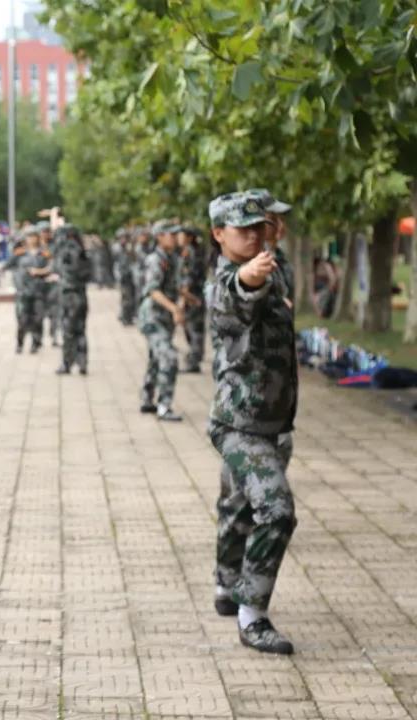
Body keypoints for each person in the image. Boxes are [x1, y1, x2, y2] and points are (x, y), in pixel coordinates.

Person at [206, 191, 298, 655]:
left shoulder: (273, 268)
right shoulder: (227, 281)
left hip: (272, 420)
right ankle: (252, 614)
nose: (254, 235)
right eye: (242, 229)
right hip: (238, 423)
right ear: (219, 234)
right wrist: (250, 277)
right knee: (276, 510)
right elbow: (239, 295)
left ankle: (226, 584)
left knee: (239, 505)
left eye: (259, 227)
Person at [138, 222, 183, 421]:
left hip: (164, 317)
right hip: (153, 317)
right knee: (169, 357)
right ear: (159, 237)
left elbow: (174, 286)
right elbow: (153, 290)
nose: (175, 237)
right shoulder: (155, 259)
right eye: (170, 234)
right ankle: (164, 406)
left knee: (156, 358)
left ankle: (147, 398)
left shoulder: (172, 258)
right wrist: (174, 308)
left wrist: (185, 300)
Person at [54, 225, 91, 374]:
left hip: (69, 295)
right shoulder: (82, 250)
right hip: (81, 293)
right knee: (80, 330)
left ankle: (67, 363)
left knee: (68, 331)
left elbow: (59, 269)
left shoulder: (66, 250)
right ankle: (82, 363)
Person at [7, 230, 48, 353]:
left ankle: (36, 343)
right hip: (23, 291)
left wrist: (40, 271)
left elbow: (53, 267)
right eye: (29, 237)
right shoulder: (20, 253)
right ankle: (20, 343)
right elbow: (7, 265)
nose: (31, 239)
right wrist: (14, 254)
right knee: (22, 319)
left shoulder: (43, 253)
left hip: (38, 290)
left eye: (34, 237)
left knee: (38, 319)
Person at [177, 226, 207, 373]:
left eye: (181, 235)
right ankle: (195, 357)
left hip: (192, 297)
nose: (178, 237)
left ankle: (194, 361)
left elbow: (188, 278)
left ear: (189, 237)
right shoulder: (194, 250)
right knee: (195, 328)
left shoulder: (190, 252)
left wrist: (183, 300)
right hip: (196, 295)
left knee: (193, 329)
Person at [113, 228, 137, 326]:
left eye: (125, 237)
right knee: (126, 298)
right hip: (122, 276)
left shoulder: (128, 248)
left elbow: (133, 260)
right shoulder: (116, 248)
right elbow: (115, 264)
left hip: (130, 275)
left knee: (130, 297)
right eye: (122, 237)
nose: (124, 239)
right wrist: (118, 277)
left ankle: (128, 316)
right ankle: (125, 317)